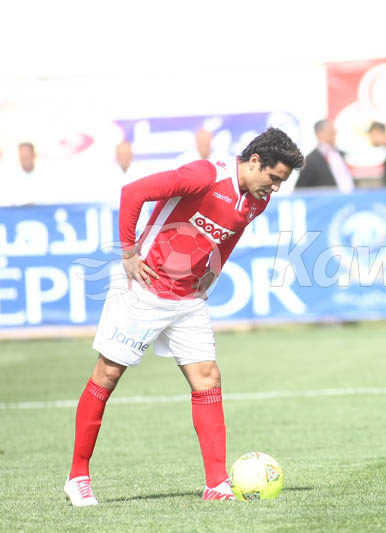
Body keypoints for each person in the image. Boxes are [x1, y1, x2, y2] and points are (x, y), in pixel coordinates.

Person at [63, 128, 304, 506]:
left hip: (189, 298)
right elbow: (133, 193)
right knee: (107, 375)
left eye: (281, 183)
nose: (274, 188)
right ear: (254, 162)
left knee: (207, 377)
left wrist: (217, 266)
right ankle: (78, 476)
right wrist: (129, 252)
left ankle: (217, 484)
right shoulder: (205, 175)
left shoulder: (257, 200)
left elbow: (232, 231)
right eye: (273, 179)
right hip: (144, 289)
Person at [295, 119, 354, 192]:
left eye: (334, 132)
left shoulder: (340, 154)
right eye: (331, 132)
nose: (334, 135)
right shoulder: (311, 160)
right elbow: (300, 189)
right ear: (319, 134)